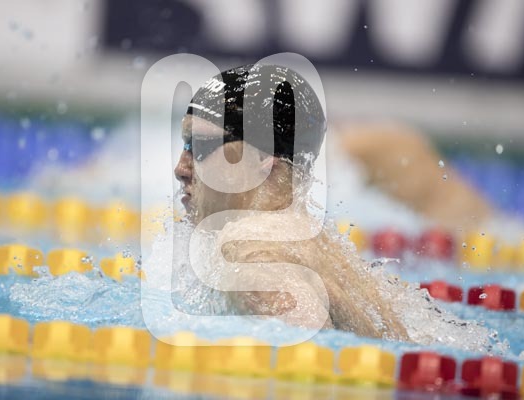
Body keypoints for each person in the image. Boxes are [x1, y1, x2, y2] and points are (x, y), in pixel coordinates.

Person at [174, 64, 413, 339]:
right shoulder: (309, 242)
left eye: (200, 145)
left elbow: (308, 356)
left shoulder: (251, 257)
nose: (181, 168)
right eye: (186, 145)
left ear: (263, 157)